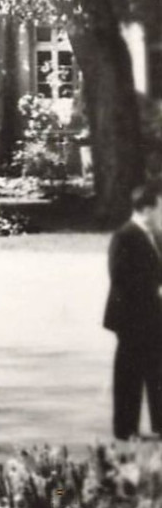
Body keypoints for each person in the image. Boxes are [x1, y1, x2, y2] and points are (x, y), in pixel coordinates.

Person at [104, 182, 162, 439]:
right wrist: (154, 290)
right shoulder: (124, 236)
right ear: (147, 210)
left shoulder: (156, 236)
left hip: (154, 316)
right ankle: (125, 428)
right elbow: (120, 277)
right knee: (129, 373)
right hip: (131, 317)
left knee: (157, 370)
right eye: (160, 209)